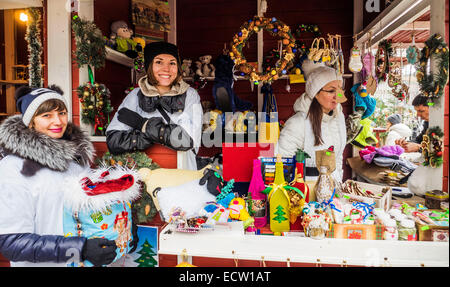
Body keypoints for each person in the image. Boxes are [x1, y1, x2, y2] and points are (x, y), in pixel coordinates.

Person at [0, 86, 117, 267]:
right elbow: (12, 242)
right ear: (30, 121)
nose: (58, 121)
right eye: (46, 115)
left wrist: (118, 229)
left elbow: (87, 209)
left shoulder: (75, 159)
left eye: (62, 113)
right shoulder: (13, 168)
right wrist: (80, 249)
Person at [106, 41, 202, 170]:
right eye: (159, 62)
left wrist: (142, 125)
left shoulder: (190, 95)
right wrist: (153, 134)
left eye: (172, 63)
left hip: (182, 174)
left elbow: (187, 140)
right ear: (149, 65)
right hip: (143, 176)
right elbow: (113, 140)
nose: (166, 69)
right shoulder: (135, 95)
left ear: (178, 67)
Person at [277, 59, 347, 182]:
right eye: (331, 91)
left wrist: (338, 183)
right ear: (315, 93)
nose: (338, 96)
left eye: (340, 89)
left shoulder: (339, 118)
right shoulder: (298, 123)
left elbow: (338, 157)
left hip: (332, 192)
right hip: (306, 193)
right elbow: (282, 163)